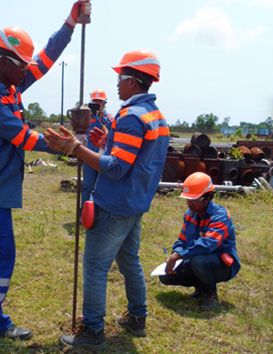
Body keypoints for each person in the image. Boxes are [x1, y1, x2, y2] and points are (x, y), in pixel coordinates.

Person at [0, 0, 91, 340]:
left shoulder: (9, 85)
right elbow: (23, 137)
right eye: (21, 66)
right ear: (4, 61)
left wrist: (70, 23)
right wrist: (67, 145)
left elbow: (45, 59)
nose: (26, 72)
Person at [45, 49, 169, 349]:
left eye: (120, 77)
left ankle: (92, 331)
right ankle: (138, 319)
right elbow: (134, 159)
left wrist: (75, 147)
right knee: (129, 261)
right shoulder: (156, 117)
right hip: (135, 204)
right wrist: (106, 144)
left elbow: (116, 168)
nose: (116, 84)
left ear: (134, 82)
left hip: (114, 204)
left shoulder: (130, 117)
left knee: (95, 267)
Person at [159, 172, 241, 310]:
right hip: (196, 259)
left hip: (222, 265)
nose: (189, 203)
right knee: (165, 276)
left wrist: (179, 255)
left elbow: (208, 244)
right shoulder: (190, 214)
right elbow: (182, 240)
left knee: (199, 261)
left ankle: (210, 295)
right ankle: (200, 289)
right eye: (187, 199)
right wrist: (175, 254)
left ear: (207, 197)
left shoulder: (220, 216)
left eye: (193, 200)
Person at [82, 89, 113, 203]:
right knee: (87, 185)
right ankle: (84, 213)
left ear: (104, 104)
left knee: (101, 187)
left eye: (100, 102)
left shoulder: (108, 118)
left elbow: (112, 129)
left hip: (103, 156)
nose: (97, 104)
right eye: (95, 102)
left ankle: (97, 213)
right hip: (88, 155)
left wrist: (101, 117)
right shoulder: (86, 117)